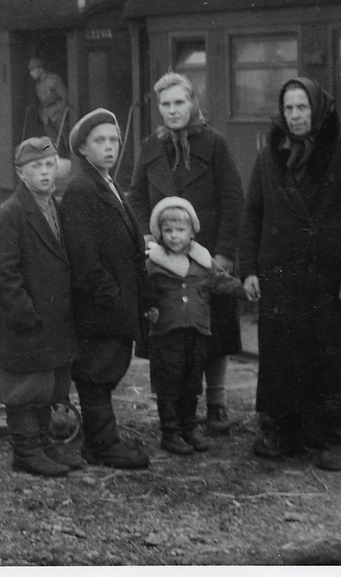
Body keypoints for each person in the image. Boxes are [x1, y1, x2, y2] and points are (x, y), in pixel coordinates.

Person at [239, 77, 341, 471]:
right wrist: (249, 269)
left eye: (303, 107)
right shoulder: (270, 157)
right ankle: (284, 432)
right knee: (282, 357)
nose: (295, 115)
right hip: (282, 278)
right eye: (289, 108)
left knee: (334, 359)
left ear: (317, 110)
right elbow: (254, 213)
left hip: (329, 281)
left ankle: (338, 438)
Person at [128, 72, 245, 435]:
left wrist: (223, 254)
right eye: (165, 104)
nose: (173, 110)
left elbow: (232, 199)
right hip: (165, 258)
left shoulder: (215, 143)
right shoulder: (151, 145)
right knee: (173, 332)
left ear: (193, 102)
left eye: (179, 102)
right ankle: (177, 408)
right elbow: (136, 196)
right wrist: (148, 239)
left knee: (215, 329)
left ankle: (217, 403)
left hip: (206, 254)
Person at [0, 137, 80, 477]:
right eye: (36, 166)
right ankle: (25, 452)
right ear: (21, 173)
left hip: (50, 321)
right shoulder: (12, 213)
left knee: (46, 387)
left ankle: (43, 445)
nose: (44, 172)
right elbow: (0, 271)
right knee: (24, 389)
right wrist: (25, 314)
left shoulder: (53, 206)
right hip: (26, 322)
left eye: (49, 165)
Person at [60, 108, 150, 470]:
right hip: (99, 307)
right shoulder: (81, 190)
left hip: (113, 303)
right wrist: (115, 299)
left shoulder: (106, 182)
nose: (110, 146)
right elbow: (85, 262)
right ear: (83, 148)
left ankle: (100, 441)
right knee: (96, 375)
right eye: (100, 141)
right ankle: (102, 446)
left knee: (105, 371)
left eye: (114, 139)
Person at [144, 197, 245, 456]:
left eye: (180, 230)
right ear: (159, 232)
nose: (174, 236)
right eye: (168, 230)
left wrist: (245, 290)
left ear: (192, 232)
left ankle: (189, 429)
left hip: (197, 333)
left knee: (191, 383)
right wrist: (148, 307)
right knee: (168, 383)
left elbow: (222, 281)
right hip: (167, 334)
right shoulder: (153, 263)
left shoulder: (203, 261)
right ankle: (171, 432)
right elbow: (142, 290)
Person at [28, 58, 73, 147]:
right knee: (52, 140)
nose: (31, 73)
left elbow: (65, 96)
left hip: (58, 112)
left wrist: (62, 113)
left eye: (33, 70)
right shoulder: (38, 83)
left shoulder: (53, 79)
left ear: (41, 69)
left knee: (65, 138)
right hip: (46, 116)